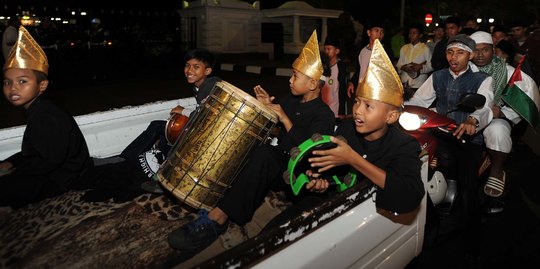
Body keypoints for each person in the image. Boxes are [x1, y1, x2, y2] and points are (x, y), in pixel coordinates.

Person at [167, 30, 336, 254]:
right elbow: (274, 129)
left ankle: (218, 219)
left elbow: (313, 154)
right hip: (275, 160)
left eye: (295, 76)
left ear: (313, 84)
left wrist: (284, 119)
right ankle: (211, 192)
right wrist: (267, 108)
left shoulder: (324, 115)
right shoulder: (290, 100)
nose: (290, 79)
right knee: (247, 143)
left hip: (296, 173)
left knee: (264, 153)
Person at [263, 39, 426, 230]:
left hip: (367, 223)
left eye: (368, 106)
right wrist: (320, 180)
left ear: (391, 116)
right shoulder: (347, 130)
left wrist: (353, 159)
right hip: (332, 207)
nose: (357, 110)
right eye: (357, 102)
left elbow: (409, 197)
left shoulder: (403, 145)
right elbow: (332, 173)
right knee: (274, 232)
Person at [80, 48, 222, 199]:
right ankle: (151, 172)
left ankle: (129, 162)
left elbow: (205, 117)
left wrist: (183, 111)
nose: (189, 70)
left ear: (207, 71)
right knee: (163, 130)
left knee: (159, 127)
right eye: (187, 65)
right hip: (203, 133)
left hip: (207, 139)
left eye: (196, 66)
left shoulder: (210, 85)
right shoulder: (200, 86)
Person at [406, 34, 494, 264]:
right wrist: (397, 109)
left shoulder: (482, 79)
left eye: (460, 53)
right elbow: (418, 101)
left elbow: (484, 106)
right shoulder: (438, 76)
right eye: (450, 52)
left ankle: (472, 243)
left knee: (468, 191)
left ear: (471, 55)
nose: (453, 57)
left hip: (466, 139)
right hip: (439, 133)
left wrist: (472, 121)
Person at [0, 26, 93, 209]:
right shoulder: (38, 109)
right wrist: (12, 162)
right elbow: (35, 152)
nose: (13, 88)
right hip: (52, 170)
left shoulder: (47, 115)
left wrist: (16, 172)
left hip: (64, 178)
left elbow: (49, 161)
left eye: (22, 81)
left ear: (42, 86)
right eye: (7, 82)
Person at [469, 31, 540, 213]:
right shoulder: (465, 69)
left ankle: (497, 171)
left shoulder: (508, 72)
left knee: (497, 132)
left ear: (493, 50)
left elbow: (523, 101)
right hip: (466, 118)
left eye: (484, 50)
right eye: (475, 51)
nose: (480, 55)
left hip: (496, 119)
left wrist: (502, 112)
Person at [348, 20, 392, 99]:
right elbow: (359, 71)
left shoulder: (386, 52)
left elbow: (390, 74)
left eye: (382, 32)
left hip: (378, 94)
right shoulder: (362, 51)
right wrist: (352, 82)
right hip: (362, 93)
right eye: (376, 30)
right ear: (369, 33)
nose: (379, 34)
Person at [396, 23, 433, 99]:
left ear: (420, 35)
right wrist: (403, 67)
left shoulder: (425, 48)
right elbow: (399, 64)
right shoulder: (404, 48)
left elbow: (431, 66)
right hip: (404, 83)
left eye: (414, 33)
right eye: (410, 33)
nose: (411, 35)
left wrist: (420, 67)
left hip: (418, 84)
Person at [321, 35, 351, 119]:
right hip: (323, 108)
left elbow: (342, 89)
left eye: (329, 49)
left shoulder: (341, 67)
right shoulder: (323, 66)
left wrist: (341, 111)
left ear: (337, 51)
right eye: (325, 49)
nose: (326, 51)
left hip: (335, 109)